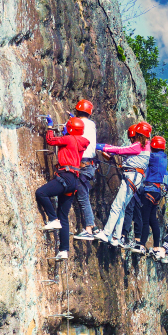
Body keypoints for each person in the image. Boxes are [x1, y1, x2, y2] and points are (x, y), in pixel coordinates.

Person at [36, 116, 89, 260]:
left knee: (41, 193)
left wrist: (50, 127)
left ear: (70, 129)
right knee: (63, 216)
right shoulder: (82, 141)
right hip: (74, 181)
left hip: (65, 176)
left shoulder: (69, 139)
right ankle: (64, 250)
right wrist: (70, 128)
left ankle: (52, 219)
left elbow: (51, 140)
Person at [95, 121, 152, 245]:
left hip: (131, 178)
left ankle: (106, 233)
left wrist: (101, 146)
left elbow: (121, 150)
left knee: (116, 205)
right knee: (121, 207)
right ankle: (116, 238)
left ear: (138, 134)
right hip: (135, 178)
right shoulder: (146, 146)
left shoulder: (139, 146)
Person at [133, 135, 168, 253]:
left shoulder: (153, 157)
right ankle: (157, 246)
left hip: (149, 190)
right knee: (153, 219)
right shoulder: (164, 158)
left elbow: (142, 156)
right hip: (157, 192)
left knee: (145, 218)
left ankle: (141, 244)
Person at [72, 99, 98, 239]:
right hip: (89, 164)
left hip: (82, 164)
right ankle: (92, 227)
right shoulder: (92, 124)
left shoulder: (77, 123)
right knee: (83, 195)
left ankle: (89, 228)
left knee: (83, 197)